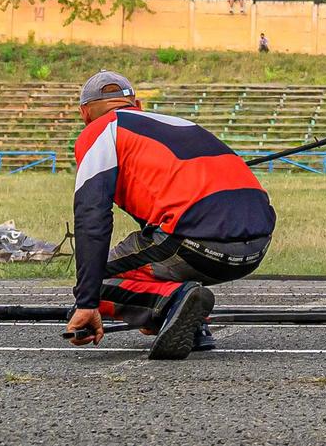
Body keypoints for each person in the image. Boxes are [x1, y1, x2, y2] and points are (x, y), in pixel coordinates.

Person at [62, 70, 276, 360]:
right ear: (136, 105)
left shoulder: (101, 130)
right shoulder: (178, 124)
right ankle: (190, 322)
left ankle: (170, 302)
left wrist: (87, 302)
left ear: (85, 114)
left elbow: (92, 218)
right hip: (256, 246)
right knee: (152, 253)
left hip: (197, 243)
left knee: (92, 281)